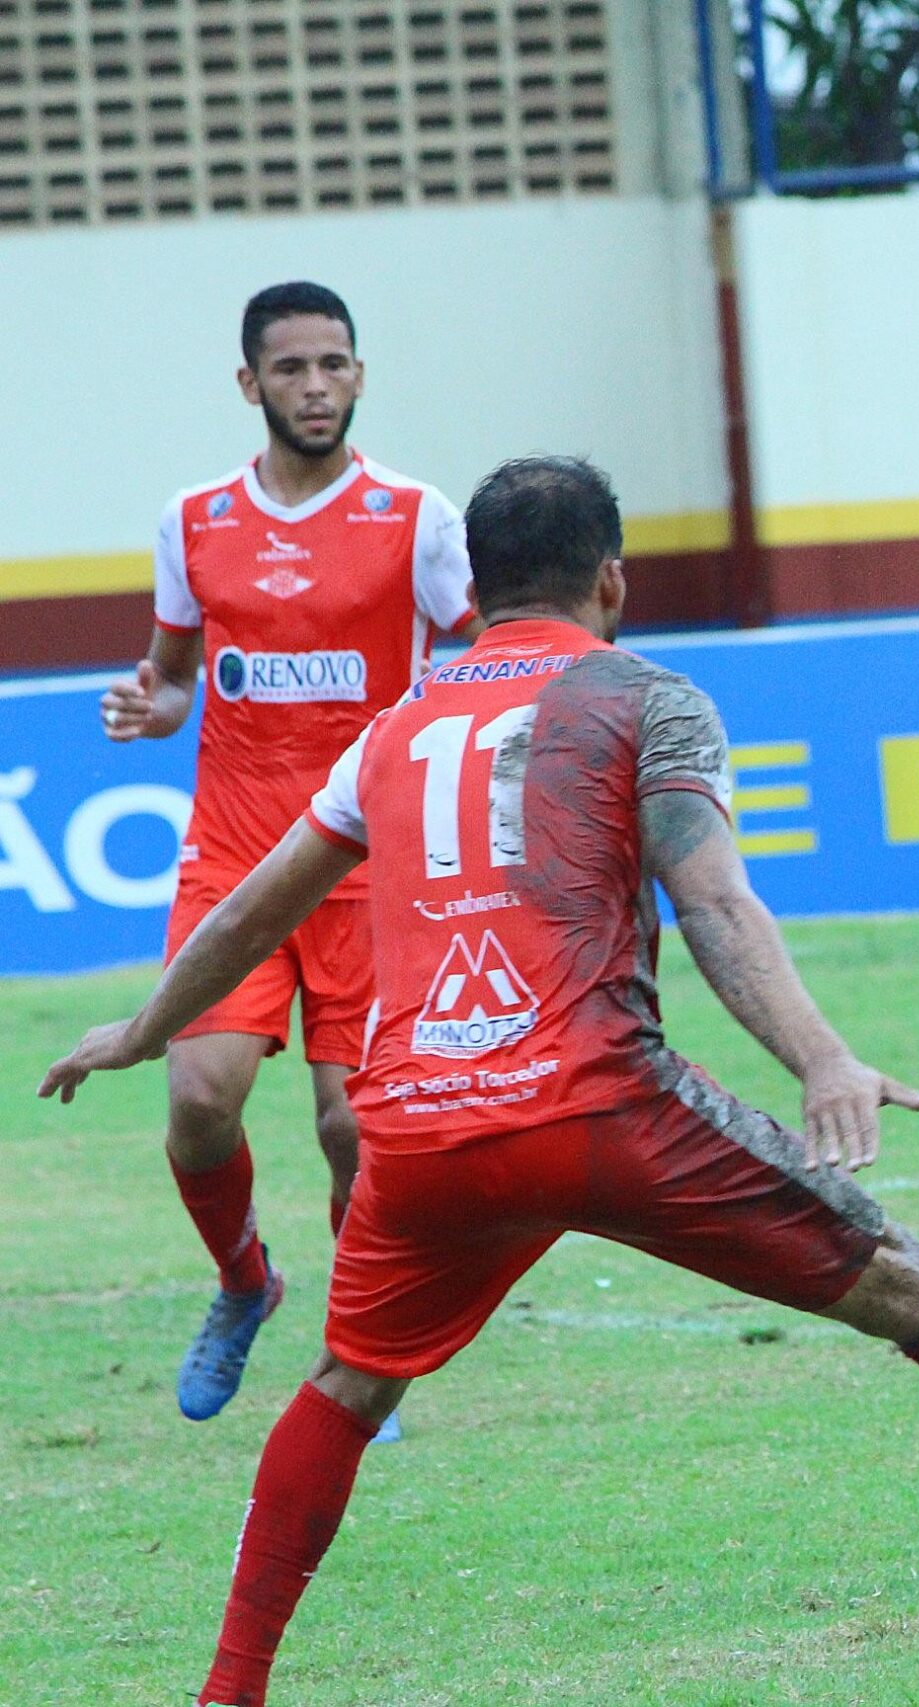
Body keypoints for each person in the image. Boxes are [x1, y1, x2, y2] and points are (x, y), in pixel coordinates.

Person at [43, 455, 919, 1707]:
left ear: (477, 591)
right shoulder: (646, 698)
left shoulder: (392, 730)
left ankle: (227, 1691)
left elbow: (249, 915)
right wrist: (820, 1056)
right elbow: (715, 896)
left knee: (351, 1385)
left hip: (422, 1132)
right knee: (896, 1282)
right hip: (599, 1106)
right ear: (611, 580)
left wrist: (144, 1029)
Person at [103, 280, 479, 1432]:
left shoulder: (418, 517)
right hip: (233, 859)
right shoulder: (194, 520)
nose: (315, 387)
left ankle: (363, 1343)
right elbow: (173, 674)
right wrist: (151, 705)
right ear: (250, 383)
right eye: (292, 369)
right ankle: (244, 1283)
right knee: (200, 1102)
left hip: (369, 865)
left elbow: (482, 654)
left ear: (359, 375)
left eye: (334, 365)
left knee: (354, 1126)